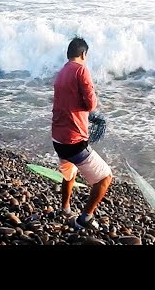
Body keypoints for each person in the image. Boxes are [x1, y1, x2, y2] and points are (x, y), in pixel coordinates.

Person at [51, 36, 112, 229]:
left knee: (69, 174)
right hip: (73, 140)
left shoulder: (61, 73)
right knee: (105, 178)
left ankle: (66, 208)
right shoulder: (81, 70)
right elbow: (91, 104)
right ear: (83, 54)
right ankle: (85, 217)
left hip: (57, 138)